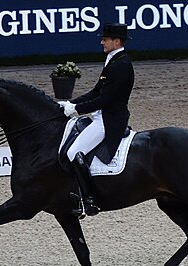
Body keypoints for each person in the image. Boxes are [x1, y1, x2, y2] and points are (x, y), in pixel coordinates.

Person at [60, 23, 135, 217]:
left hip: (109, 120)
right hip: (102, 115)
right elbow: (96, 92)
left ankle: (89, 200)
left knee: (73, 152)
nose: (102, 41)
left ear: (116, 41)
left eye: (106, 39)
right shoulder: (113, 60)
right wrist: (69, 103)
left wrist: (75, 110)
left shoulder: (121, 65)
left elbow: (105, 99)